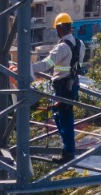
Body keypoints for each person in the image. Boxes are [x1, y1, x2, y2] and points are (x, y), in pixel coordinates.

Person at [34, 12, 85, 162]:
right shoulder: (80, 44)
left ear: (59, 29)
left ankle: (68, 152)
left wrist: (27, 68)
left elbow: (46, 64)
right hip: (73, 84)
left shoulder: (62, 47)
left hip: (63, 87)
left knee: (64, 118)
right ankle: (67, 149)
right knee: (61, 115)